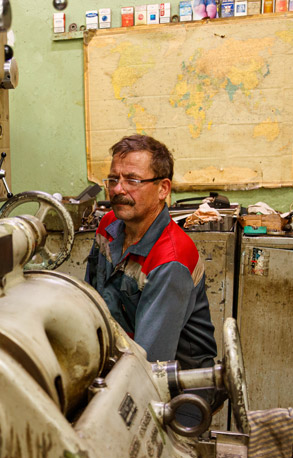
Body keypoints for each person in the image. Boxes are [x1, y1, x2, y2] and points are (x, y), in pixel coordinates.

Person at [85, 134, 217, 370]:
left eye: (132, 180)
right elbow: (89, 303)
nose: (118, 189)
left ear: (162, 189)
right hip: (120, 357)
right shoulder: (107, 225)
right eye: (113, 179)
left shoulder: (170, 260)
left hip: (176, 379)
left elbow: (149, 363)